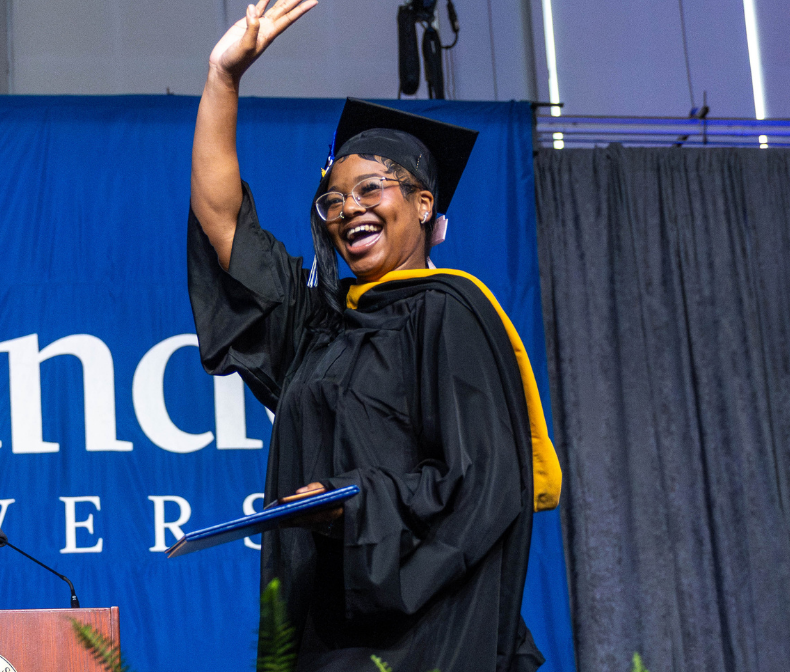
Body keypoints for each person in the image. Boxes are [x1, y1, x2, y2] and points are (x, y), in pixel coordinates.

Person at [186, 2, 563, 670]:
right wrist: (222, 78)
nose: (350, 208)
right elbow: (224, 228)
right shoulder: (321, 327)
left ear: (423, 204)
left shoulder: (451, 310)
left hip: (430, 634)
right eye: (334, 200)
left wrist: (352, 503)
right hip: (328, 629)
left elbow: (483, 480)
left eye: (371, 189)